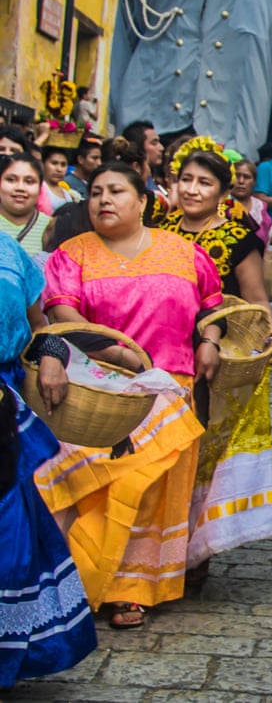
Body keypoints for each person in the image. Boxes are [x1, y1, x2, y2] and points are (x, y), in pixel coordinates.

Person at [37, 160, 222, 629]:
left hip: (171, 390)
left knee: (153, 493)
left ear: (143, 201)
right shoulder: (71, 254)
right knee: (101, 490)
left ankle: (132, 588)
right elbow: (63, 317)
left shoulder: (183, 252)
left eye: (116, 191)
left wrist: (210, 340)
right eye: (96, 191)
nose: (103, 200)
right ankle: (79, 583)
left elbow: (213, 307)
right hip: (101, 393)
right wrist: (124, 359)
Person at [159, 138, 272, 582]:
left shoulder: (237, 235)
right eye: (186, 180)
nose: (192, 189)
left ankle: (194, 551)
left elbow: (255, 300)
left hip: (218, 359)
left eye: (203, 182)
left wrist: (267, 338)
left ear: (222, 192)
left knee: (203, 450)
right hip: (162, 352)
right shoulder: (159, 230)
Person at [0, 233, 98, 687]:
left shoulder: (9, 252)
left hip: (4, 410)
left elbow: (40, 328)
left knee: (10, 544)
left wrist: (55, 355)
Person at [0, 153, 50, 263]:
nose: (20, 188)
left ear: (40, 188)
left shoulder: (51, 227)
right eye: (11, 180)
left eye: (29, 181)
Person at [40, 146, 81, 211]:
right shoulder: (38, 189)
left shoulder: (66, 193)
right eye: (54, 163)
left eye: (63, 165)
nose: (59, 169)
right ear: (42, 164)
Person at [63, 133, 103, 197]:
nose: (99, 163)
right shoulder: (66, 184)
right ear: (80, 159)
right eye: (94, 158)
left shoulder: (95, 183)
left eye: (100, 158)